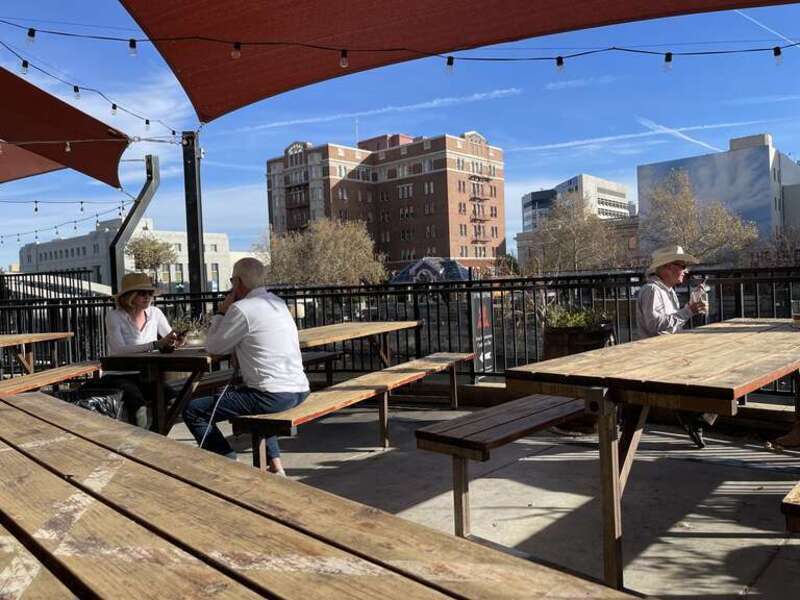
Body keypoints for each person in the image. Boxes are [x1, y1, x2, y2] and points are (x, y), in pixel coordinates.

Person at [183, 257, 309, 476]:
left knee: (193, 410)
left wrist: (221, 312)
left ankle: (228, 463)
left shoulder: (242, 308)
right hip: (300, 390)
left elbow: (213, 346)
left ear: (238, 281)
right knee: (252, 401)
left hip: (272, 395)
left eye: (232, 280)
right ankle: (275, 464)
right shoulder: (277, 303)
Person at [636, 245, 710, 448]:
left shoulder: (666, 291)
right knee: (708, 370)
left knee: (709, 363)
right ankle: (695, 417)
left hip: (667, 352)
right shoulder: (652, 290)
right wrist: (687, 311)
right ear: (667, 267)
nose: (686, 271)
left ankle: (696, 417)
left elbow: (669, 325)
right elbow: (655, 327)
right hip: (655, 355)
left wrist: (690, 310)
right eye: (682, 266)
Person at [98, 272, 182, 427]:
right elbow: (118, 350)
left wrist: (175, 342)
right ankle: (143, 444)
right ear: (130, 296)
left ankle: (156, 437)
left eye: (150, 293)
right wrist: (156, 344)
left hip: (146, 374)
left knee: (176, 400)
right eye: (142, 293)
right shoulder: (114, 316)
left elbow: (169, 337)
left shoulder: (155, 313)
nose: (148, 297)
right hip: (119, 375)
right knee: (139, 408)